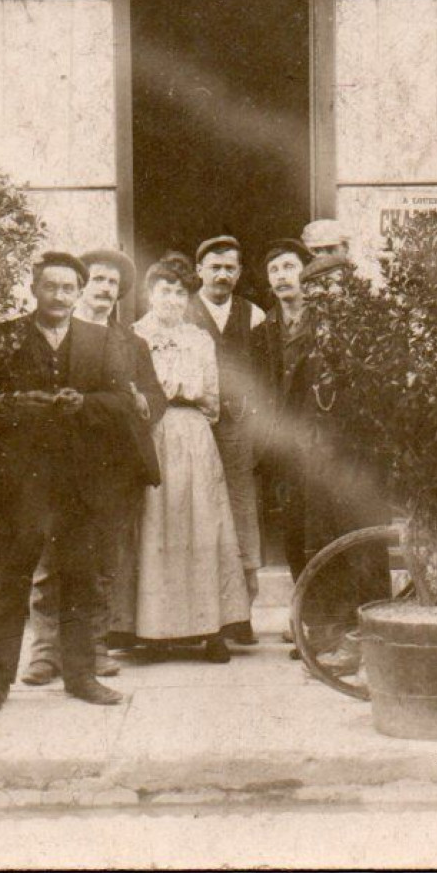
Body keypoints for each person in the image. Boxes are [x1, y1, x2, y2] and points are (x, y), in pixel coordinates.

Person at [0, 251, 141, 713]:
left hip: (79, 485)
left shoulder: (101, 340)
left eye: (69, 288)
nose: (60, 296)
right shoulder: (6, 338)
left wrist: (83, 403)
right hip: (22, 484)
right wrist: (13, 404)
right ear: (34, 288)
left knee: (81, 582)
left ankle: (81, 677)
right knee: (11, 583)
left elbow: (122, 403)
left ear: (79, 292)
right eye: (52, 286)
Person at [21, 248, 166, 687]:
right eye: (99, 279)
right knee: (49, 561)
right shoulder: (58, 337)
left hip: (112, 468)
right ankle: (45, 652)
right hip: (57, 467)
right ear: (84, 287)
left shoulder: (131, 343)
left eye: (113, 283)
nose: (105, 289)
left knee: (103, 562)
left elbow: (154, 397)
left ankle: (94, 647)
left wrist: (144, 404)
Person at [255, 248, 390, 666]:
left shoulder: (368, 330)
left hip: (353, 458)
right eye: (319, 289)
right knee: (317, 542)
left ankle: (370, 635)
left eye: (334, 286)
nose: (326, 295)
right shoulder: (295, 332)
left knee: (360, 545)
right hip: (306, 455)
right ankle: (328, 632)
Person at [131, 256, 251, 661]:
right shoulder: (135, 337)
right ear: (150, 293)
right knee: (158, 526)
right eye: (164, 290)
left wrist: (180, 391)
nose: (173, 299)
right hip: (153, 434)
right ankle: (154, 633)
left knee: (202, 525)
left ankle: (210, 628)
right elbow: (140, 395)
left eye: (181, 292)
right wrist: (171, 392)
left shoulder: (199, 339)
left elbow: (209, 396)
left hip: (195, 434)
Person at [185, 236, 267, 643]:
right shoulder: (179, 311)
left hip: (237, 429)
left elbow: (267, 373)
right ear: (198, 270)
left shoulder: (252, 315)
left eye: (230, 268)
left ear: (239, 273)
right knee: (198, 513)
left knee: (239, 513)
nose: (222, 274)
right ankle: (198, 617)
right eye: (214, 266)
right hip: (194, 430)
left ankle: (241, 614)